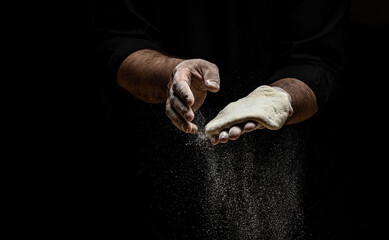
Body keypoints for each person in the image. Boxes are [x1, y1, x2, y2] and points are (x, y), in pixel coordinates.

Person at [94, 0, 351, 239]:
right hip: (151, 174)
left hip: (287, 164)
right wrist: (170, 74)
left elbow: (318, 57)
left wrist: (276, 100)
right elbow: (118, 40)